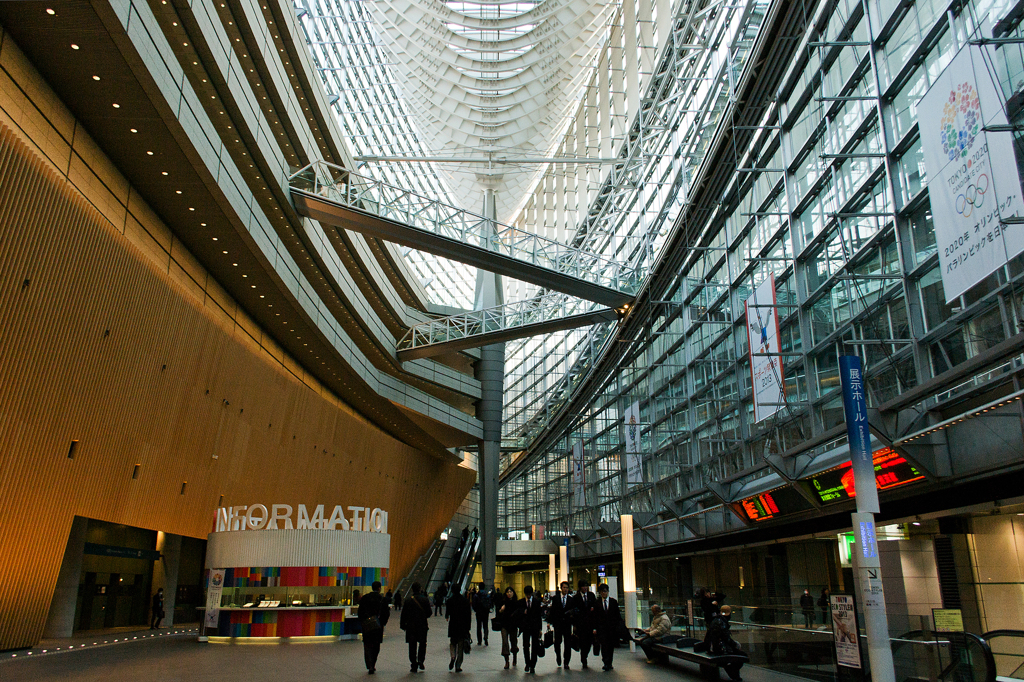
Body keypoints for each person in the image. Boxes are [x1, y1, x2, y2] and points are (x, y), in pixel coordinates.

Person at [358, 580, 388, 674]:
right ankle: (373, 664)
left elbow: (360, 611)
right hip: (378, 626)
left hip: (367, 625)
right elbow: (385, 613)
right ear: (379, 588)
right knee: (376, 645)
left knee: (367, 644)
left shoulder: (365, 598)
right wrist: (382, 623)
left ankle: (369, 664)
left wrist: (363, 621)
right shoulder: (382, 599)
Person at [400, 582, 431, 673]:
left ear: (412, 589)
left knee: (412, 645)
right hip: (422, 626)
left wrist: (403, 625)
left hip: (411, 626)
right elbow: (429, 613)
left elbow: (404, 614)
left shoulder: (408, 600)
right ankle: (421, 660)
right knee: (422, 643)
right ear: (420, 589)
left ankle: (413, 663)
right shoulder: (425, 599)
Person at [546, 580, 575, 669]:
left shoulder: (571, 599)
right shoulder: (555, 598)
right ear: (561, 588)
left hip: (567, 624)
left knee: (568, 643)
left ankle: (566, 661)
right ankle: (558, 656)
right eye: (564, 587)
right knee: (557, 642)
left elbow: (573, 612)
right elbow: (552, 611)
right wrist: (549, 622)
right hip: (558, 624)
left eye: (567, 588)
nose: (566, 589)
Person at [594, 583, 621, 671]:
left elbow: (617, 615)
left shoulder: (613, 602)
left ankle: (610, 662)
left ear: (608, 592)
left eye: (605, 591)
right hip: (602, 628)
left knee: (610, 646)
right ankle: (606, 662)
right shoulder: (597, 603)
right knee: (604, 646)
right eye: (602, 592)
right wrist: (595, 628)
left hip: (611, 628)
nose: (604, 593)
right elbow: (595, 616)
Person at [572, 579, 599, 669]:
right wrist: (575, 625)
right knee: (583, 642)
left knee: (589, 642)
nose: (585, 588)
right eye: (583, 586)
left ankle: (585, 655)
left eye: (586, 586)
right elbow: (574, 612)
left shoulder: (591, 596)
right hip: (581, 624)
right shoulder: (576, 598)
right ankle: (583, 658)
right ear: (580, 588)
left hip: (590, 624)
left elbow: (595, 609)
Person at [518, 585, 544, 674]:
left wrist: (540, 629)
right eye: (527, 594)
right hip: (525, 627)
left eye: (530, 594)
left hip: (535, 627)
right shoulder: (521, 602)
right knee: (525, 645)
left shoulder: (536, 602)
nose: (528, 596)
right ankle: (527, 663)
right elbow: (518, 614)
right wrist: (522, 612)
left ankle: (533, 664)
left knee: (535, 646)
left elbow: (539, 616)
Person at [446, 587, 472, 672]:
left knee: (453, 643)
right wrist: (468, 627)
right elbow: (468, 615)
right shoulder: (465, 601)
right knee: (461, 646)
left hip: (453, 625)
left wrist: (447, 617)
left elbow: (447, 613)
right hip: (462, 626)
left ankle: (453, 656)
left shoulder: (450, 601)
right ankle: (458, 665)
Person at [495, 586, 520, 669]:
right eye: (508, 592)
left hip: (513, 625)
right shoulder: (503, 602)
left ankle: (514, 656)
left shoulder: (516, 603)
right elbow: (497, 614)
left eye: (511, 592)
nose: (509, 593)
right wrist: (501, 610)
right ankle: (507, 661)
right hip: (504, 625)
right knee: (505, 642)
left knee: (513, 641)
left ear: (513, 593)